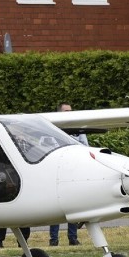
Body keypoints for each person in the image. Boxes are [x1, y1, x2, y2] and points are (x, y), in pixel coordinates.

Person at [49, 102, 84, 246]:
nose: (69, 113)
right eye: (66, 111)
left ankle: (73, 237)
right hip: (57, 172)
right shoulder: (51, 129)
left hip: (74, 172)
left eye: (70, 110)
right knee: (55, 206)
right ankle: (53, 239)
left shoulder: (78, 129)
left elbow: (84, 146)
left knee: (73, 205)